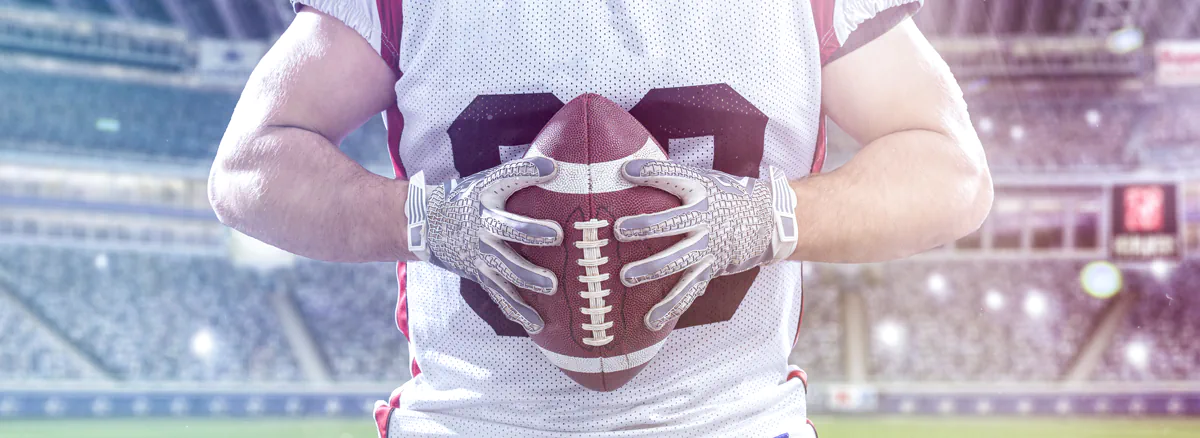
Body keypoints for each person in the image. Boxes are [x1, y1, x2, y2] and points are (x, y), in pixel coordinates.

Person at [207, 0, 992, 436]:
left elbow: (951, 170)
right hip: (474, 425)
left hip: (731, 424)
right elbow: (248, 167)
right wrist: (423, 221)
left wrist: (767, 216)